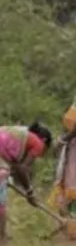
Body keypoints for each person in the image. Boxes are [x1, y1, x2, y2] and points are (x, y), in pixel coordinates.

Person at [52, 98, 76, 231]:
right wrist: (67, 137)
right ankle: (68, 225)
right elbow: (55, 151)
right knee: (65, 199)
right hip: (65, 179)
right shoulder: (66, 139)